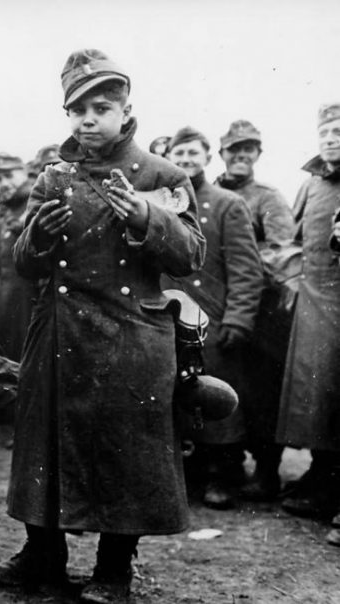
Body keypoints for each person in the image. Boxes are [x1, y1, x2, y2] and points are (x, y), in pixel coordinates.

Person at [0, 49, 205, 603]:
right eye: (77, 109)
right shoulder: (54, 175)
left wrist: (146, 217)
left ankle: (114, 569)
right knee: (44, 448)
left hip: (132, 336)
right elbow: (23, 262)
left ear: (127, 110)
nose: (88, 119)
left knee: (126, 454)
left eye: (101, 107)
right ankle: (43, 555)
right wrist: (37, 235)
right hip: (58, 334)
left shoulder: (163, 175)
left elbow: (190, 255)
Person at [164, 126, 263, 510]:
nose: (186, 160)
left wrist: (238, 320)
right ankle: (188, 473)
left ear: (207, 157)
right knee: (177, 395)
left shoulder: (227, 203)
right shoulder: (160, 202)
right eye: (179, 153)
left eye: (193, 153)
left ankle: (224, 474)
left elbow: (246, 269)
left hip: (215, 317)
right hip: (171, 314)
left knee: (217, 396)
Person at [214, 120, 295, 501]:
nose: (241, 155)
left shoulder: (268, 197)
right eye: (234, 149)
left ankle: (266, 473)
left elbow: (284, 252)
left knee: (262, 395)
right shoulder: (208, 194)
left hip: (262, 314)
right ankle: (223, 469)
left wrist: (235, 259)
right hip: (217, 307)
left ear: (258, 155)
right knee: (222, 389)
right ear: (222, 153)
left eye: (249, 149)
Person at [276, 103, 340, 546]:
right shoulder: (311, 185)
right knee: (315, 400)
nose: (331, 139)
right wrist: (291, 279)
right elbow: (292, 241)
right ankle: (321, 483)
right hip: (314, 307)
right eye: (326, 132)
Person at [0, 152, 36, 361]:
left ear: (25, 173)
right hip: (7, 305)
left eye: (9, 175)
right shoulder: (8, 211)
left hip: (30, 304)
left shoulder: (35, 204)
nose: (3, 183)